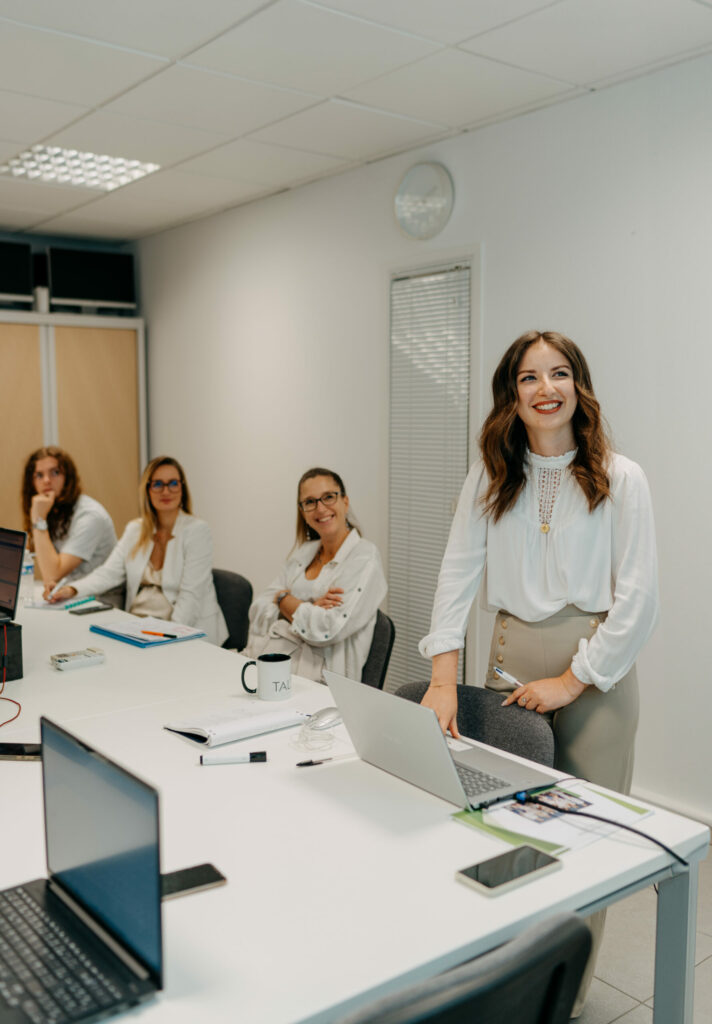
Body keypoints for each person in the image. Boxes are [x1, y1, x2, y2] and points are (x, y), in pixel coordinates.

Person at [419, 330, 658, 1016]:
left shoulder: (622, 475)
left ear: (579, 386)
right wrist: (443, 677)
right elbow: (457, 573)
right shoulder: (492, 474)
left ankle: (566, 997)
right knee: (508, 833)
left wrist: (573, 679)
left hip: (598, 671)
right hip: (508, 663)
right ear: (512, 394)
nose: (545, 388)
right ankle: (506, 985)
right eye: (529, 377)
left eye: (560, 374)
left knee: (590, 834)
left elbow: (640, 598)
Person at [48, 456, 228, 646]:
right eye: (157, 484)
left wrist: (170, 639)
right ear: (147, 490)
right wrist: (71, 589)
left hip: (184, 631)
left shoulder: (197, 531)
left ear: (182, 489)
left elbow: (191, 597)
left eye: (173, 483)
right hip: (139, 627)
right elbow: (108, 574)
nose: (166, 491)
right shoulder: (136, 530)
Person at [246, 468, 387, 682]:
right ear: (303, 511)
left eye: (328, 497)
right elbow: (257, 611)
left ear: (345, 501)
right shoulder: (303, 553)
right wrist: (307, 607)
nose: (320, 508)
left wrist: (284, 599)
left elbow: (328, 629)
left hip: (323, 683)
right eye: (310, 502)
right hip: (279, 669)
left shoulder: (364, 557)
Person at [22, 446, 116, 589]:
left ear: (68, 478)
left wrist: (38, 520)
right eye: (39, 475)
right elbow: (29, 556)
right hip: (64, 596)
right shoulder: (52, 511)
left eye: (55, 472)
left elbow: (52, 574)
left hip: (99, 601)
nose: (46, 480)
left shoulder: (90, 515)